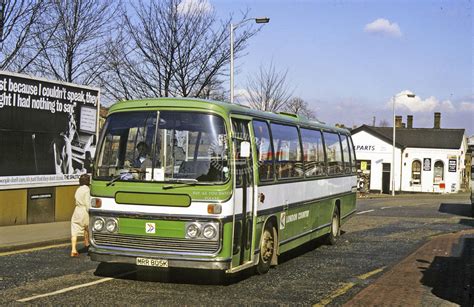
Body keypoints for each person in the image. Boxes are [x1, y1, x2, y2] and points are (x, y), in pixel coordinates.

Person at [70, 174, 91, 257]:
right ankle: (88, 246)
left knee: (74, 230)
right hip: (84, 211)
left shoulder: (78, 189)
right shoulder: (87, 190)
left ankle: (73, 250)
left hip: (77, 210)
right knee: (87, 228)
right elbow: (87, 203)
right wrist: (90, 211)